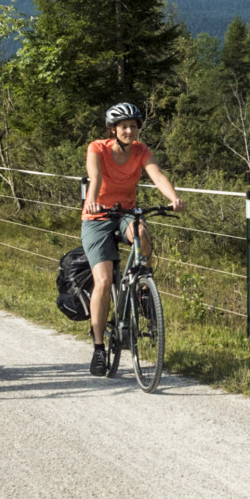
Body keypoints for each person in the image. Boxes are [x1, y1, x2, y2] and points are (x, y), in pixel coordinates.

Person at [81, 100, 182, 376]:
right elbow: (95, 176)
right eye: (124, 126)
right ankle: (100, 348)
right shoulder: (97, 148)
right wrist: (91, 201)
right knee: (102, 281)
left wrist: (173, 198)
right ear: (112, 129)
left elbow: (157, 174)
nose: (129, 131)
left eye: (133, 126)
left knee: (143, 235)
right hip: (98, 215)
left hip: (126, 212)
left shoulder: (141, 150)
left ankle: (144, 287)